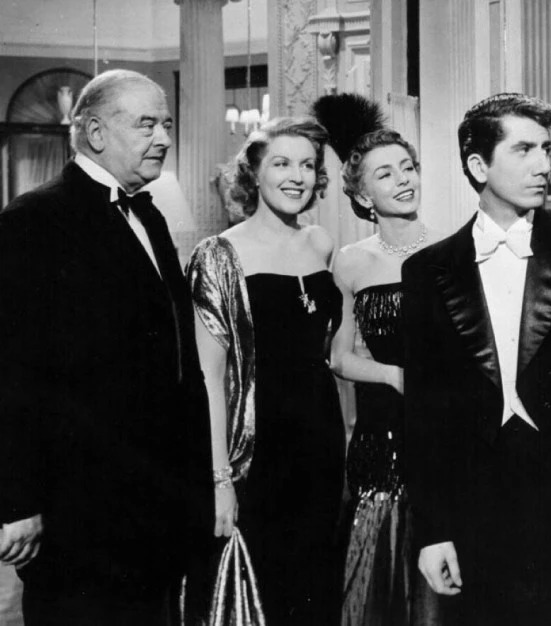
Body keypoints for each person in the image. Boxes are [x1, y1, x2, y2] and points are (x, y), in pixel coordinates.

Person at [402, 93, 551, 625]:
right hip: (476, 507)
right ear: (478, 165)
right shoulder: (427, 270)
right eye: (524, 150)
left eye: (545, 149)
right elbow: (423, 411)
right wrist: (433, 531)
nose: (543, 166)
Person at [0, 69, 213, 625]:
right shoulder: (33, 219)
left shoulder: (150, 215)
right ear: (95, 132)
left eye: (166, 124)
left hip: (154, 508)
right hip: (77, 514)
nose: (163, 138)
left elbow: (178, 361)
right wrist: (17, 501)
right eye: (146, 124)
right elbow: (12, 371)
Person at [187, 117, 346, 625]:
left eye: (307, 165)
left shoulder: (321, 243)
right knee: (263, 591)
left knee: (315, 587)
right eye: (281, 163)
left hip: (321, 443)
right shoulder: (218, 255)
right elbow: (208, 379)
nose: (296, 176)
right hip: (257, 451)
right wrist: (219, 479)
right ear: (254, 173)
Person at [327, 126, 443, 625]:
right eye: (386, 174)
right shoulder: (350, 262)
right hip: (381, 431)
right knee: (381, 573)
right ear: (362, 196)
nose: (403, 180)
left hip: (443, 427)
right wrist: (395, 376)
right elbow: (339, 358)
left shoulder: (452, 250)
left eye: (408, 168)